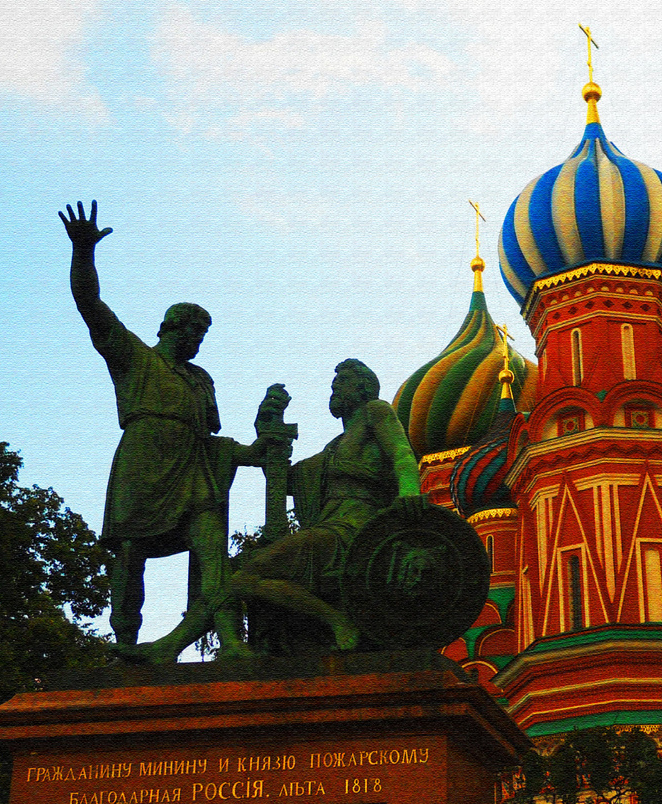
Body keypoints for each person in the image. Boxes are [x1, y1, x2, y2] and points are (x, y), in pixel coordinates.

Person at [60, 201, 268, 655]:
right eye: (193, 330)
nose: (197, 339)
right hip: (143, 459)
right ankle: (125, 644)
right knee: (131, 555)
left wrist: (256, 447)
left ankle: (230, 640)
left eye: (203, 333)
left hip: (192, 468)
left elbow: (214, 440)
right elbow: (89, 304)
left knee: (212, 547)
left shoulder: (201, 380)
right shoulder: (135, 357)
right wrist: (83, 253)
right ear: (171, 327)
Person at [123, 358, 425, 662]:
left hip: (354, 529)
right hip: (328, 528)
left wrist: (410, 490)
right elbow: (287, 482)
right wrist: (270, 433)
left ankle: (338, 622)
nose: (335, 386)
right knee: (234, 575)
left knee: (241, 577)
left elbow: (401, 453)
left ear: (362, 388)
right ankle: (169, 647)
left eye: (343, 380)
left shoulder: (376, 412)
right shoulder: (335, 446)